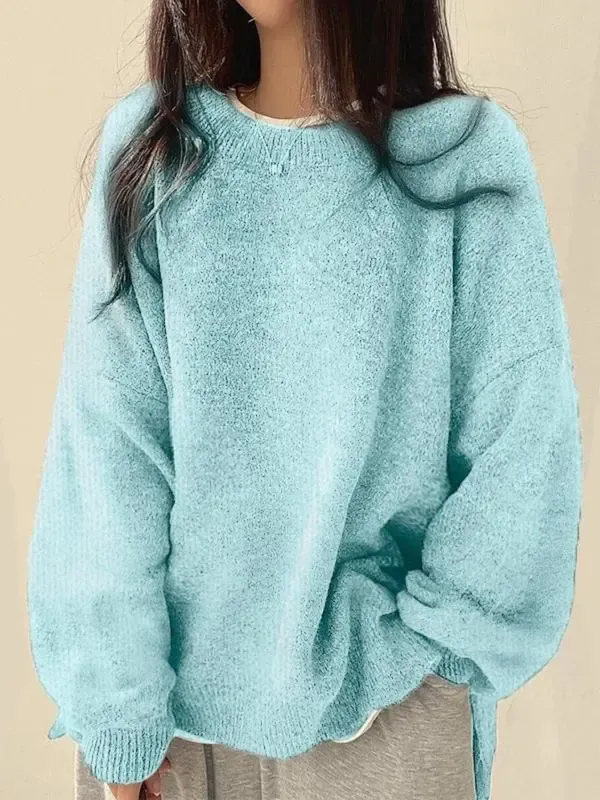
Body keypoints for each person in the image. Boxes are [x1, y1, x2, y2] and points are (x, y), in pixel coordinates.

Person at [26, 1, 584, 799]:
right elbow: (108, 452)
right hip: (173, 740)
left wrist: (443, 660)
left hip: (390, 717)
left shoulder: (460, 156)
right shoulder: (158, 152)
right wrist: (119, 713)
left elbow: (523, 447)